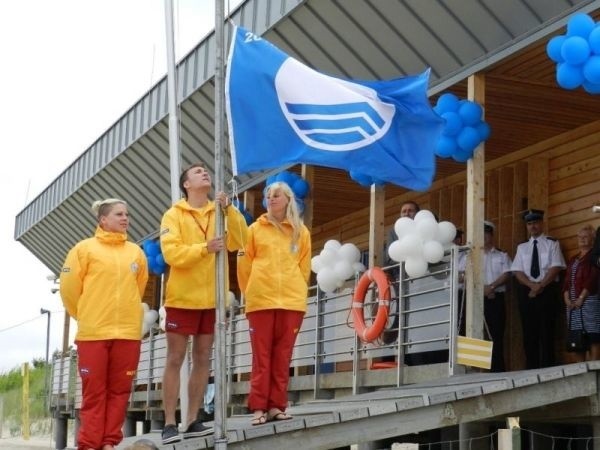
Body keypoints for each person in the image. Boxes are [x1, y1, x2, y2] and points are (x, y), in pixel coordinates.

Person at [159, 163, 248, 444]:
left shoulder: (219, 210)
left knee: (202, 360)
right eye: (197, 172)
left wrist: (230, 209)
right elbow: (171, 254)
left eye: (205, 171)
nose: (205, 174)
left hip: (211, 300)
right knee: (175, 358)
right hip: (182, 299)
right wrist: (204, 248)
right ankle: (170, 423)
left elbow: (241, 241)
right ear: (186, 184)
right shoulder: (173, 215)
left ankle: (193, 419)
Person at [60, 199, 149, 450]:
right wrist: (86, 315)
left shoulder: (136, 252)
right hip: (94, 333)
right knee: (94, 392)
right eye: (119, 214)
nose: (125, 218)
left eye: (127, 213)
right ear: (103, 220)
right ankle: (89, 444)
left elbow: (139, 288)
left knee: (120, 391)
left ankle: (110, 441)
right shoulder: (83, 249)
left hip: (128, 333)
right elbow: (69, 290)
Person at [237, 181, 311, 425]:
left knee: (283, 357)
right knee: (262, 357)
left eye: (277, 195)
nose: (272, 198)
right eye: (269, 195)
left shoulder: (302, 232)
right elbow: (244, 264)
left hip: (291, 302)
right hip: (261, 301)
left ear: (288, 199)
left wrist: (298, 290)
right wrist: (250, 291)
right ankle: (258, 408)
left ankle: (277, 407)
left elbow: (304, 268)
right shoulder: (254, 230)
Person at [511, 209, 565, 369]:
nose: (533, 226)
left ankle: (548, 366)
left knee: (547, 330)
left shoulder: (552, 243)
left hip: (547, 290)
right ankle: (531, 367)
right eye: (529, 223)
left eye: (535, 223)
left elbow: (556, 267)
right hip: (527, 291)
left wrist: (540, 286)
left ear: (542, 223)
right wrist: (531, 286)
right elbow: (517, 270)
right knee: (529, 331)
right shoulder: (522, 247)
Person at [562, 225, 600, 362]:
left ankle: (595, 372)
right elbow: (567, 281)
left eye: (586, 237)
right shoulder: (574, 259)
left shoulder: (595, 257)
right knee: (576, 337)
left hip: (589, 301)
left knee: (592, 336)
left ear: (593, 239)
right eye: (580, 237)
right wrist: (566, 298)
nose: (582, 239)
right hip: (572, 304)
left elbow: (593, 278)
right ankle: (582, 371)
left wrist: (582, 297)